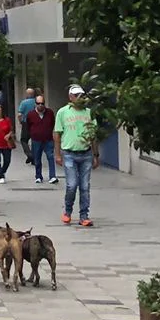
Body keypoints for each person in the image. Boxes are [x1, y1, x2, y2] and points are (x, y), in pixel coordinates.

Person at [56, 84, 100, 226]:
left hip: (86, 153)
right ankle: (68, 211)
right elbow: (57, 133)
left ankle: (84, 215)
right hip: (69, 153)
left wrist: (95, 155)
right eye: (76, 95)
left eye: (81, 95)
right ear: (70, 97)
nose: (80, 98)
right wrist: (57, 154)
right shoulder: (63, 112)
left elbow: (93, 135)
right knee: (72, 185)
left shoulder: (89, 113)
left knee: (85, 186)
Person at [22, 92, 57, 184]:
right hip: (36, 140)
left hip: (48, 139)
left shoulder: (49, 112)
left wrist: (48, 131)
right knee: (37, 159)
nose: (40, 105)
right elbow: (28, 126)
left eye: (42, 103)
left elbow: (52, 123)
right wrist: (33, 134)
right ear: (35, 104)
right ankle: (38, 176)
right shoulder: (30, 114)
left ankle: (52, 176)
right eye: (38, 103)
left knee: (50, 157)